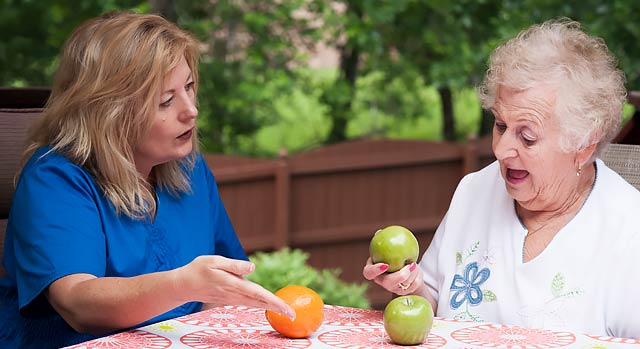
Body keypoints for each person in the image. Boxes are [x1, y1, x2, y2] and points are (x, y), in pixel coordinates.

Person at [0, 11, 295, 349]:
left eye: (189, 88)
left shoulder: (190, 169)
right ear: (110, 113)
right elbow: (77, 301)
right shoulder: (54, 179)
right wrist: (183, 284)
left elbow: (223, 288)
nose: (191, 110)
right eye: (166, 101)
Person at [363, 18, 640, 339]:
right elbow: (434, 306)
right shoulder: (474, 191)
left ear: (583, 144)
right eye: (500, 126)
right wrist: (409, 286)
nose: (502, 149)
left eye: (528, 136)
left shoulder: (629, 230)